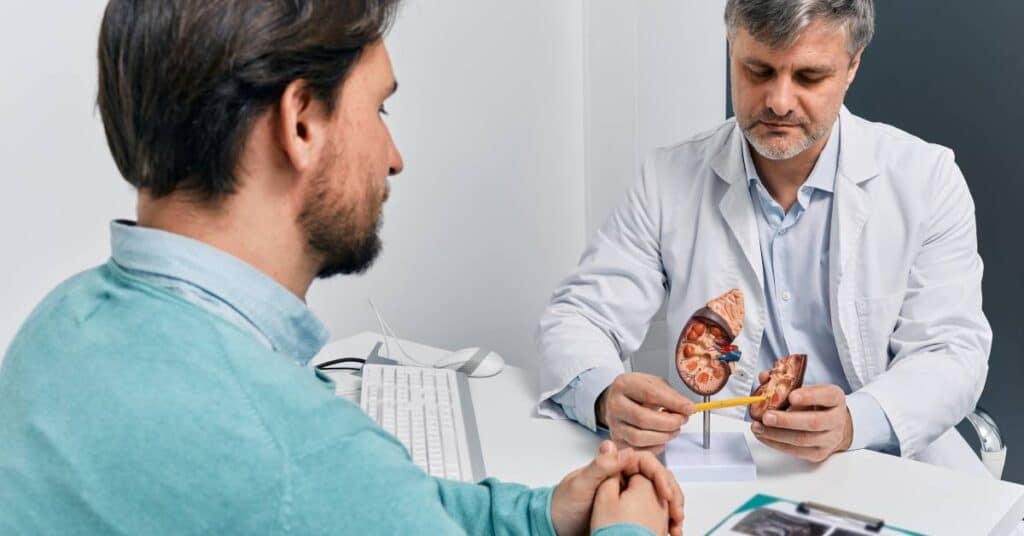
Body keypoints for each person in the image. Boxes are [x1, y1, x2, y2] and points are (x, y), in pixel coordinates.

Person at [0, 1, 684, 534]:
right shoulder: (296, 453)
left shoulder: (57, 326)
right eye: (378, 108)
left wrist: (537, 517)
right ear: (300, 123)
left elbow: (372, 508)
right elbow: (333, 492)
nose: (393, 156)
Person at [536, 0, 991, 472]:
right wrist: (606, 395)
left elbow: (952, 352)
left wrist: (854, 422)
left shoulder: (926, 179)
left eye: (809, 78)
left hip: (887, 463)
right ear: (731, 48)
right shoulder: (668, 178)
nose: (778, 101)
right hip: (723, 469)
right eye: (757, 70)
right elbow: (579, 317)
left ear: (852, 67)